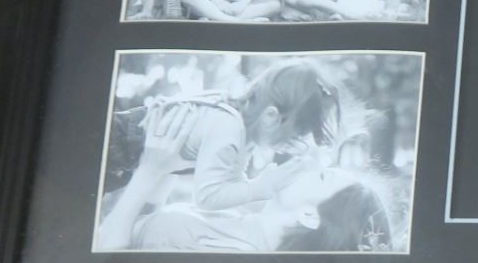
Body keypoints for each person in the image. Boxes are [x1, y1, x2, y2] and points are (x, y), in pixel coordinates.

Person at [97, 104, 394, 252]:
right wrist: (171, 162)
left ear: (308, 215)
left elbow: (108, 258)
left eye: (322, 175)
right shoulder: (239, 222)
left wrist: (149, 171)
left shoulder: (228, 251)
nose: (307, 162)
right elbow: (143, 229)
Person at [100, 58, 344, 225]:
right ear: (271, 116)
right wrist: (263, 186)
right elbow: (207, 197)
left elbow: (232, 181)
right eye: (295, 135)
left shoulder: (243, 127)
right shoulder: (228, 128)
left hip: (130, 157)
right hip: (114, 145)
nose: (290, 146)